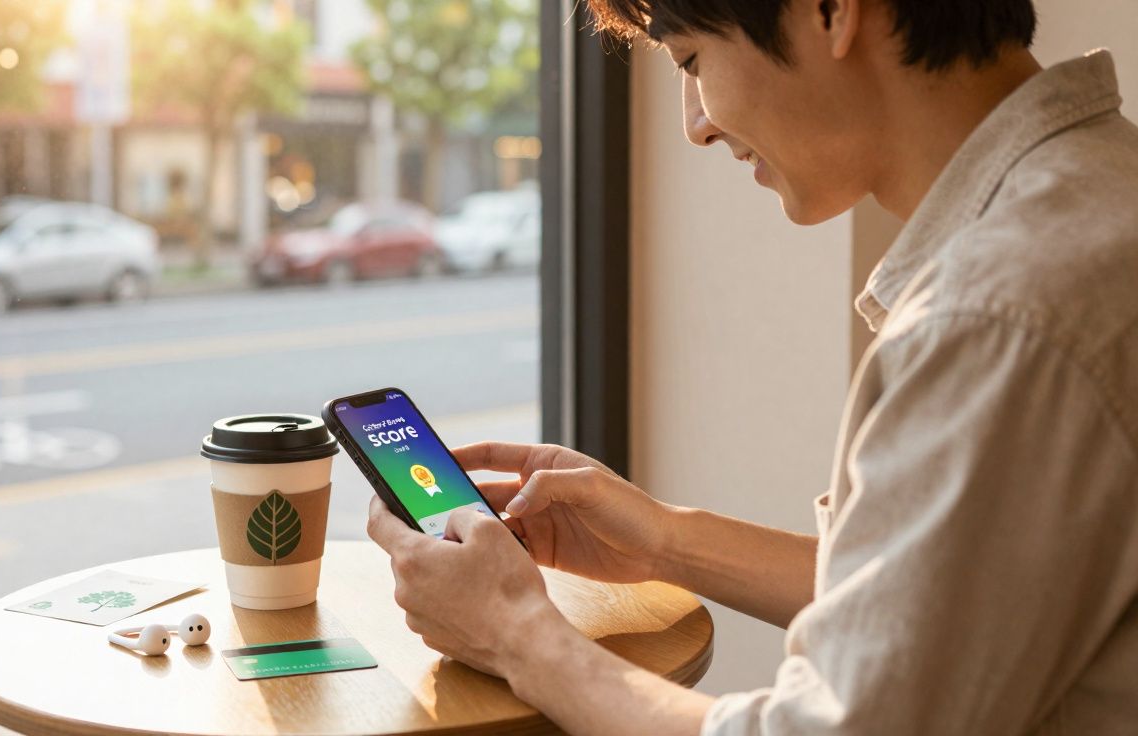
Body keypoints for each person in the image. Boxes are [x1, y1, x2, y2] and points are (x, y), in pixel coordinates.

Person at [366, 0, 1138, 733]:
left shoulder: (999, 315)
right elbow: (962, 602)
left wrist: (517, 635)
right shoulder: (1100, 196)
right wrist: (666, 542)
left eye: (693, 59)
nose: (696, 126)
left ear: (831, 10)